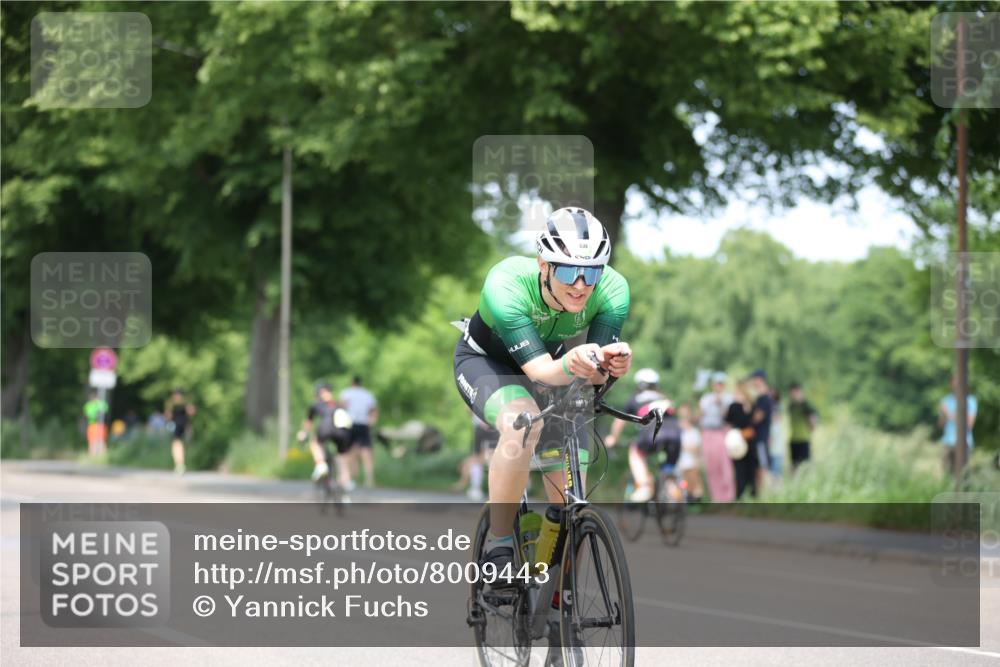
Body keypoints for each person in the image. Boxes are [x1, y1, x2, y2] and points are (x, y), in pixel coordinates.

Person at [452, 206, 631, 581]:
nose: (581, 284)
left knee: (568, 494)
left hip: (554, 364)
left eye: (592, 272)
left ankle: (557, 600)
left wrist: (610, 366)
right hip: (489, 364)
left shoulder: (613, 291)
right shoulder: (506, 284)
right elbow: (540, 372)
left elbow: (591, 372)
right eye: (568, 270)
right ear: (543, 265)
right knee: (522, 423)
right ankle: (499, 547)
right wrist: (576, 364)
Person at [605, 368, 680, 502]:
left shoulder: (635, 399)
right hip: (675, 435)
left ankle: (645, 485)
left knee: (635, 451)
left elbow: (619, 421)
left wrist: (613, 438)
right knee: (667, 472)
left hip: (653, 434)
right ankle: (672, 491)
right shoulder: (663, 397)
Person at [298, 382, 353, 495]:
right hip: (342, 433)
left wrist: (303, 433)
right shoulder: (338, 404)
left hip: (325, 429)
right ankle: (346, 484)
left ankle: (321, 464)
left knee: (315, 442)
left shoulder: (317, 404)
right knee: (342, 459)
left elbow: (309, 422)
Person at [698, 371, 735, 501]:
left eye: (720, 384)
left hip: (722, 432)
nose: (718, 386)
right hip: (708, 433)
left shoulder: (729, 399)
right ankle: (717, 497)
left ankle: (728, 496)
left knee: (725, 465)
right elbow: (701, 417)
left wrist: (720, 404)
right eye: (716, 384)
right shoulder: (706, 399)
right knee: (712, 466)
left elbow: (729, 417)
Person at [340, 376, 378, 489]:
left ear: (352, 383)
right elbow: (373, 411)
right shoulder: (368, 394)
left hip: (350, 424)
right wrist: (371, 421)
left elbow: (342, 407)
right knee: (366, 452)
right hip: (363, 424)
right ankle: (369, 478)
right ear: (361, 383)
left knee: (350, 452)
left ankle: (351, 477)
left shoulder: (347, 393)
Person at [938, 376, 977, 474]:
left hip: (964, 442)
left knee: (962, 474)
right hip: (948, 441)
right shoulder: (946, 400)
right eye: (954, 384)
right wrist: (943, 414)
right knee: (947, 473)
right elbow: (941, 425)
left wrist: (949, 414)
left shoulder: (970, 401)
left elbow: (969, 424)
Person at [454, 414, 496, 501]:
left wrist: (469, 461)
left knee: (472, 462)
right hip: (486, 455)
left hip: (499, 455)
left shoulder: (496, 429)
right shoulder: (479, 430)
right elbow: (478, 453)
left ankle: (463, 483)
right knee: (473, 464)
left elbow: (492, 452)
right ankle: (474, 488)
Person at [726, 380, 756, 499]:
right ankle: (740, 495)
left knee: (751, 469)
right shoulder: (734, 406)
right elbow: (729, 420)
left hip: (750, 440)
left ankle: (753, 495)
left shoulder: (752, 405)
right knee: (739, 470)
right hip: (738, 441)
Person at [748, 370, 773, 495]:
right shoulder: (762, 397)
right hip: (759, 438)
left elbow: (758, 417)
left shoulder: (763, 398)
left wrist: (747, 418)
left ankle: (764, 495)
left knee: (763, 468)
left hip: (761, 438)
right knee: (759, 467)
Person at [677, 403, 704, 502]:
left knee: (694, 482)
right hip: (680, 462)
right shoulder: (677, 430)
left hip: (692, 462)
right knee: (684, 484)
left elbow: (697, 449)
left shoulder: (694, 431)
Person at [787, 382, 818, 470]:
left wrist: (811, 428)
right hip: (794, 439)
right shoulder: (791, 406)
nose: (792, 395)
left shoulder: (806, 406)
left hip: (804, 439)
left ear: (799, 392)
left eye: (794, 393)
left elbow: (813, 419)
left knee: (805, 465)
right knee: (794, 465)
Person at [165, 388, 195, 474]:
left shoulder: (171, 403)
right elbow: (191, 413)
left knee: (176, 444)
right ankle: (180, 463)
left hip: (177, 426)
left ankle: (179, 464)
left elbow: (168, 416)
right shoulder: (185, 403)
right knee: (180, 444)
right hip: (182, 425)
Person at [83, 390, 109, 456]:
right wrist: (96, 412)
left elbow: (106, 409)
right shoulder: (88, 405)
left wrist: (99, 404)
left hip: (101, 425)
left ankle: (102, 455)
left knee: (101, 441)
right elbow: (89, 414)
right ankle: (92, 455)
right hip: (93, 424)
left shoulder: (101, 404)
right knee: (92, 441)